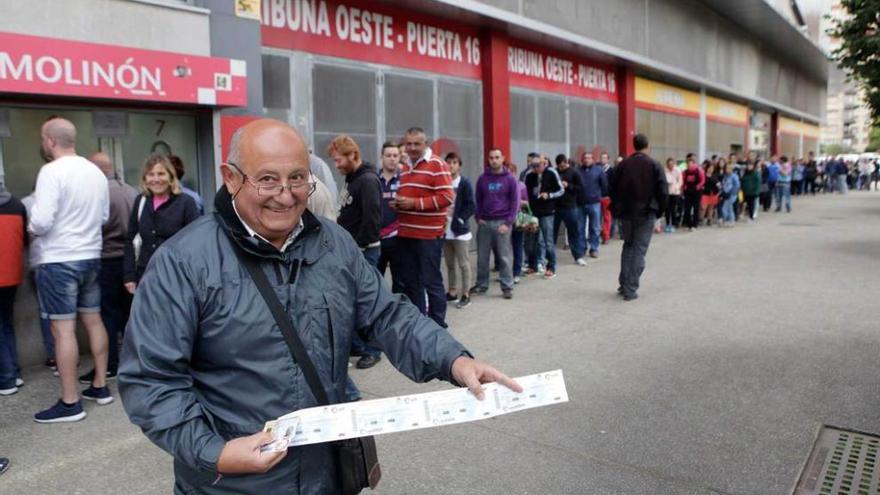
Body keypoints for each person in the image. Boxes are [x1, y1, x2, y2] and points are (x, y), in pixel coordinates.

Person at [117, 119, 521, 493]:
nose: (287, 195)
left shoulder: (334, 243)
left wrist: (454, 360)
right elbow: (151, 380)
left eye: (297, 178)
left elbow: (386, 314)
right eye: (268, 180)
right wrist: (214, 452)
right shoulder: (182, 262)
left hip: (326, 474)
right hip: (234, 483)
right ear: (230, 178)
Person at [29, 117, 112, 422]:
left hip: (59, 258)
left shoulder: (51, 171)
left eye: (42, 139)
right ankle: (101, 386)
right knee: (93, 321)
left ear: (50, 141)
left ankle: (70, 402)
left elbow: (41, 221)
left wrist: (31, 226)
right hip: (91, 254)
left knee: (62, 330)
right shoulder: (95, 172)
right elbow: (103, 216)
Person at [78, 152, 137, 385]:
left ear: (97, 169)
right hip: (129, 260)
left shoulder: (100, 193)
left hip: (107, 259)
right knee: (128, 316)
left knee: (107, 317)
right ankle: (131, 363)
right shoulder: (131, 191)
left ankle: (110, 364)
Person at [329, 135, 384, 369]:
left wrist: (359, 245)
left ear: (353, 155)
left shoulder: (368, 180)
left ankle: (372, 349)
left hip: (364, 251)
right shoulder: (352, 179)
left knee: (366, 303)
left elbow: (372, 220)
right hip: (353, 250)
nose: (336, 165)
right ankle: (359, 346)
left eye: (338, 159)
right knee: (351, 302)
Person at [392, 127, 454, 328]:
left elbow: (446, 197)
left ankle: (438, 325)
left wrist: (413, 204)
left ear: (425, 144)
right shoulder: (405, 167)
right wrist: (398, 205)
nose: (411, 148)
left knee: (431, 281)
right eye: (408, 144)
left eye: (416, 144)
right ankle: (420, 323)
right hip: (406, 233)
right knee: (412, 282)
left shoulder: (437, 164)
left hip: (428, 236)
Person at [124, 154, 199, 294]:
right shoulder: (140, 201)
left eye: (161, 174)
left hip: (177, 277)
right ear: (145, 179)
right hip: (146, 276)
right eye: (151, 174)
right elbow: (129, 240)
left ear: (171, 177)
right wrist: (129, 276)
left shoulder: (185, 202)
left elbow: (195, 242)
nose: (156, 179)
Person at [609, 134, 667, 301]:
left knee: (628, 246)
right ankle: (630, 288)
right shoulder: (654, 165)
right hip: (645, 212)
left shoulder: (623, 165)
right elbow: (662, 191)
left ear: (633, 145)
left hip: (626, 212)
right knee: (639, 250)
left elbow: (612, 187)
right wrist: (660, 210)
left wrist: (618, 206)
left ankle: (624, 283)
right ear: (647, 146)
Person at [473, 148, 518, 299]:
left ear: (503, 158)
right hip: (485, 223)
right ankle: (481, 285)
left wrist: (508, 222)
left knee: (504, 257)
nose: (494, 160)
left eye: (497, 157)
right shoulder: (482, 179)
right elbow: (477, 199)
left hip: (502, 223)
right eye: (491, 157)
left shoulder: (510, 179)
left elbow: (515, 202)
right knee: (482, 257)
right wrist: (478, 218)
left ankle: (507, 286)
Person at [0, 172, 26, 396]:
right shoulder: (17, 204)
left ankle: (6, 379)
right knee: (6, 323)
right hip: (12, 273)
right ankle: (15, 373)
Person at [440, 152, 476, 308]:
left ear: (459, 165)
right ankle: (452, 292)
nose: (451, 165)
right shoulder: (442, 182)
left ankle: (466, 294)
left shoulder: (464, 183)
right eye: (448, 162)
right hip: (444, 230)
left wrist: (461, 218)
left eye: (454, 162)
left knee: (464, 264)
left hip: (460, 231)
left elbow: (471, 205)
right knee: (449, 264)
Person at [525, 155, 564, 279]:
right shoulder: (529, 176)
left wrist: (549, 195)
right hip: (533, 212)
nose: (535, 168)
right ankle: (533, 265)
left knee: (548, 241)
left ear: (544, 164)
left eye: (538, 166)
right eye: (533, 166)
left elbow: (561, 190)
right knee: (532, 241)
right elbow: (526, 193)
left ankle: (551, 267)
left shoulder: (551, 173)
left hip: (547, 211)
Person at [377, 142, 402, 292]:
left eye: (395, 155)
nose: (392, 159)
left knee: (400, 281)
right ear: (382, 157)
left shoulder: (404, 180)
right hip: (376, 240)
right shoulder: (373, 179)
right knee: (375, 280)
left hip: (398, 240)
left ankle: (398, 313)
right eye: (388, 155)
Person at [552, 154, 585, 265]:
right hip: (556, 207)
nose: (561, 168)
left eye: (562, 166)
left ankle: (578, 256)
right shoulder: (554, 172)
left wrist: (568, 185)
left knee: (573, 232)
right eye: (559, 166)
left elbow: (580, 188)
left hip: (570, 207)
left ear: (566, 162)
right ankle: (550, 257)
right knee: (552, 233)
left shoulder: (574, 172)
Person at [577, 152, 607, 260]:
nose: (586, 160)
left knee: (594, 227)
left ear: (593, 159)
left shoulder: (598, 170)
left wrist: (600, 196)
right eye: (585, 158)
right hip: (580, 203)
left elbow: (604, 184)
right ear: (582, 159)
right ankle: (582, 248)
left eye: (589, 158)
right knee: (580, 228)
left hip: (594, 203)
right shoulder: (578, 170)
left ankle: (594, 248)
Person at [681, 156, 704, 231]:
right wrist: (684, 188)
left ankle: (695, 224)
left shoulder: (699, 170)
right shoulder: (685, 172)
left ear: (694, 164)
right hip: (688, 192)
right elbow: (683, 182)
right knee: (687, 208)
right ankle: (689, 224)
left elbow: (702, 180)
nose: (689, 166)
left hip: (697, 192)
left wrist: (697, 187)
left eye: (691, 164)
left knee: (696, 208)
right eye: (688, 165)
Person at [663, 158, 683, 233]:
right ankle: (668, 223)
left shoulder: (677, 170)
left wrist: (677, 187)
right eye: (669, 165)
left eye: (672, 164)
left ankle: (674, 223)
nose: (670, 166)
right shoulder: (664, 170)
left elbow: (680, 180)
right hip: (667, 192)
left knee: (673, 209)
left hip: (675, 192)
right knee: (667, 209)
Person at [719, 161, 741, 227]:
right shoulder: (725, 176)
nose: (727, 169)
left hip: (732, 195)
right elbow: (723, 184)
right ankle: (731, 220)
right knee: (729, 208)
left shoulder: (734, 176)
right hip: (726, 194)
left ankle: (725, 220)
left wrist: (731, 193)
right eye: (726, 168)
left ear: (732, 169)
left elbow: (737, 186)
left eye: (729, 168)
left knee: (724, 208)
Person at [701, 161, 720, 226]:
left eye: (712, 168)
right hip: (705, 193)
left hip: (713, 194)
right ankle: (701, 219)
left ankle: (710, 220)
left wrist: (717, 192)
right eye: (709, 167)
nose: (710, 169)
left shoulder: (714, 176)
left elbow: (719, 185)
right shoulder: (703, 175)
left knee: (711, 208)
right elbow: (702, 184)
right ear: (707, 168)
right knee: (703, 207)